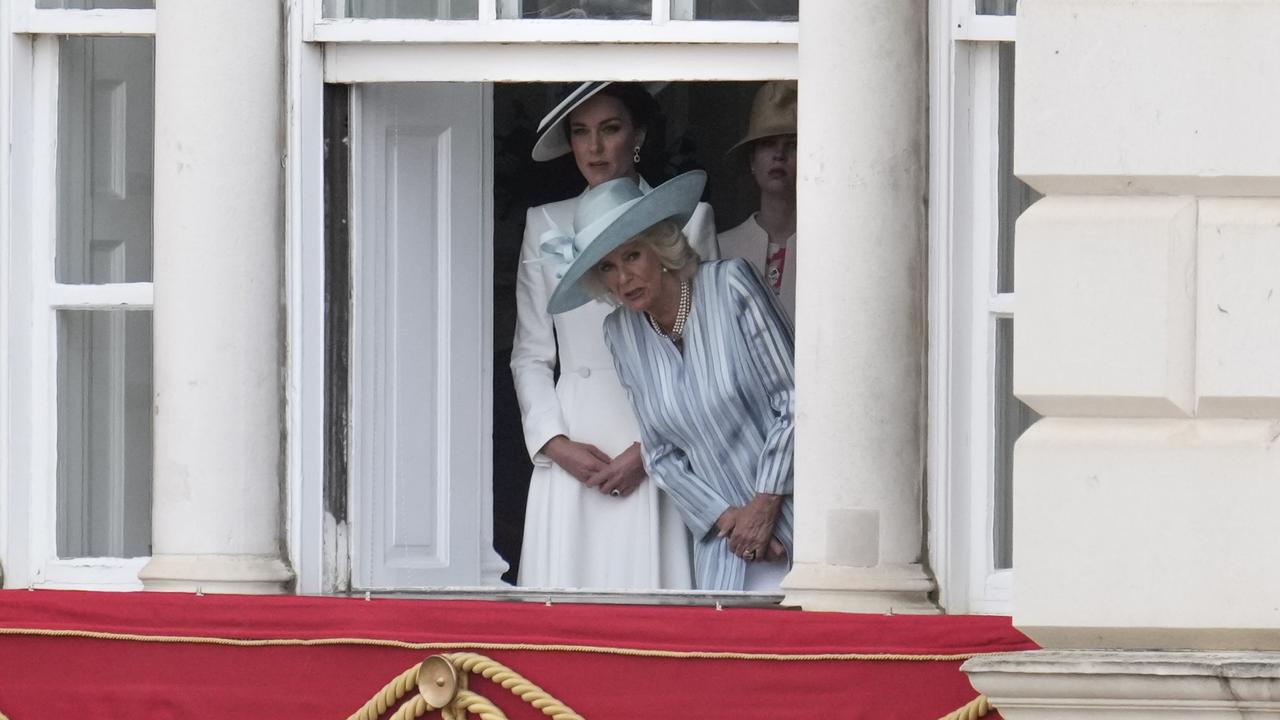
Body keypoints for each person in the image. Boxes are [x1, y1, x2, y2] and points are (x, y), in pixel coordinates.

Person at [545, 171, 795, 592]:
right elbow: (660, 454)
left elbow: (795, 401)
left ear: (660, 247)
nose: (623, 279)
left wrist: (765, 503)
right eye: (607, 267)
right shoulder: (622, 334)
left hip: (794, 529)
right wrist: (727, 518)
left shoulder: (731, 285)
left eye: (632, 256)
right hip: (725, 553)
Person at [511, 82, 717, 590]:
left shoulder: (690, 219)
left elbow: (708, 352)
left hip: (658, 440)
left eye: (610, 129)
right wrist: (554, 442)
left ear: (639, 134)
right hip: (574, 442)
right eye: (581, 133)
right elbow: (531, 354)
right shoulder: (545, 223)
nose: (595, 148)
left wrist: (651, 450)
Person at [718, 81, 798, 320]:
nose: (779, 155)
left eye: (792, 144)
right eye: (767, 144)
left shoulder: (828, 249)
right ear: (752, 160)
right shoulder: (721, 248)